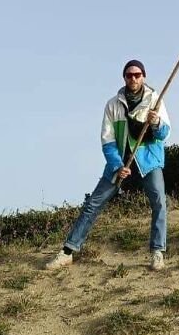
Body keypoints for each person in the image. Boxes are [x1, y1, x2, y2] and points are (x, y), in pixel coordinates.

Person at [45, 60, 171, 272]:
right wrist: (116, 165)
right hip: (121, 163)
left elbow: (164, 133)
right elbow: (108, 141)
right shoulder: (113, 104)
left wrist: (156, 122)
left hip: (148, 161)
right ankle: (67, 251)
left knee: (159, 201)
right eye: (129, 75)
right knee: (93, 203)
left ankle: (157, 252)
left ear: (144, 76)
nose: (133, 78)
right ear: (124, 78)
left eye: (137, 75)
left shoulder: (155, 100)